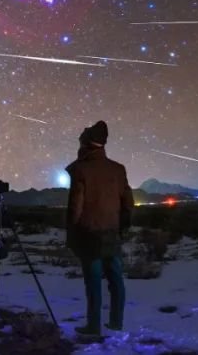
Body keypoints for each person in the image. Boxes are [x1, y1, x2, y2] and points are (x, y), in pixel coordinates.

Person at [65, 120, 133, 337]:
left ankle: (94, 326)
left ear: (86, 142)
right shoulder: (118, 169)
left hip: (90, 234)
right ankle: (116, 322)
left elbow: (76, 206)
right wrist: (123, 227)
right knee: (116, 280)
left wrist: (71, 232)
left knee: (93, 283)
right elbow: (128, 202)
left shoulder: (81, 170)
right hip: (112, 232)